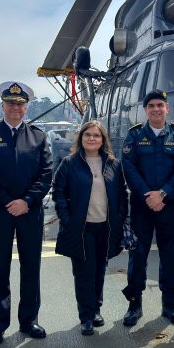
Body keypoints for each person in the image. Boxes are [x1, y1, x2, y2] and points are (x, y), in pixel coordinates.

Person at [0, 81, 52, 346]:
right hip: (0, 212)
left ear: (26, 107)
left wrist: (27, 200)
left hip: (30, 211)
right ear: (3, 105)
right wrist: (8, 201)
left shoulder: (39, 137)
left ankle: (29, 320)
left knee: (31, 266)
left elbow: (46, 174)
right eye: (10, 103)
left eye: (20, 104)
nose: (15, 108)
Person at [121, 90, 174, 326]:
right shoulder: (134, 135)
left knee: (170, 255)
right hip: (141, 205)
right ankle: (134, 304)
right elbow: (128, 167)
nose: (156, 109)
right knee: (137, 254)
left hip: (168, 205)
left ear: (167, 108)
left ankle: (170, 305)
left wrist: (162, 194)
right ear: (145, 110)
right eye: (151, 105)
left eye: (160, 105)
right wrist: (147, 195)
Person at [52, 120, 128, 336]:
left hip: (106, 226)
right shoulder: (69, 163)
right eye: (88, 135)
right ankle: (85, 315)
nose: (92, 138)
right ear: (81, 138)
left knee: (99, 270)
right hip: (81, 227)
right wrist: (67, 219)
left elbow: (122, 193)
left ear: (103, 140)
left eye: (96, 135)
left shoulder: (114, 164)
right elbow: (58, 192)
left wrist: (120, 217)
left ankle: (96, 309)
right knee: (84, 272)